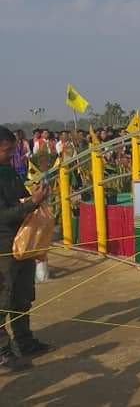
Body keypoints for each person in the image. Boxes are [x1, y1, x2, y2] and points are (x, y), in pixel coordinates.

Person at [0, 126, 54, 373]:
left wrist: (36, 197)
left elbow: (20, 200)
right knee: (3, 298)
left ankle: (25, 341)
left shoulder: (8, 170)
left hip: (22, 241)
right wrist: (31, 203)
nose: (12, 154)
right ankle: (2, 353)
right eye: (7, 149)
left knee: (22, 296)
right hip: (3, 247)